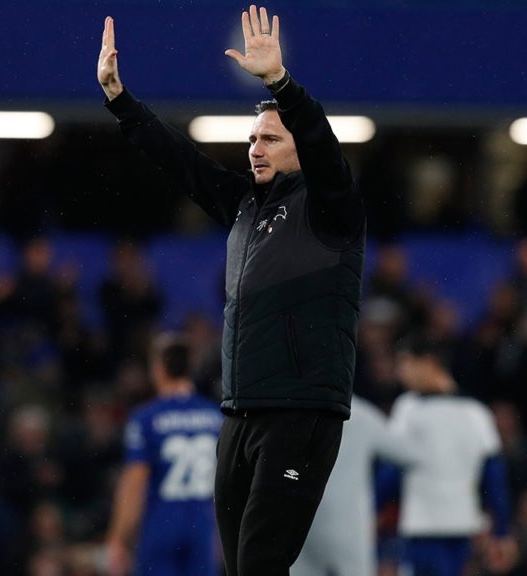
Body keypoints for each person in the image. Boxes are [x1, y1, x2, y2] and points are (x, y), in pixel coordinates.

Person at [98, 6, 365, 575]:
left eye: (270, 138)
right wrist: (121, 102)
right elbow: (184, 164)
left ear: (299, 147)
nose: (255, 148)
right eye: (252, 139)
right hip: (240, 412)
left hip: (299, 413)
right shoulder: (246, 206)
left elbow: (322, 145)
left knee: (261, 564)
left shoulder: (330, 208)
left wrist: (281, 84)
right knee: (240, 568)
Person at [387, 339, 517, 576]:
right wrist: (502, 530)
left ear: (428, 363)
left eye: (405, 364)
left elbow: (391, 469)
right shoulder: (477, 413)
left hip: (427, 532)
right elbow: (494, 477)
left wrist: (370, 506)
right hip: (461, 529)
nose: (400, 373)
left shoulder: (408, 409)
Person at [106, 334, 223, 576]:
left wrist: (118, 537)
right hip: (203, 526)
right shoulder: (216, 417)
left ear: (158, 368)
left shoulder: (147, 418)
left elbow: (135, 481)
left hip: (162, 523)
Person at [291, 395, 409, 576]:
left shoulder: (296, 406)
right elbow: (406, 452)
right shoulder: (361, 413)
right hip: (348, 523)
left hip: (302, 518)